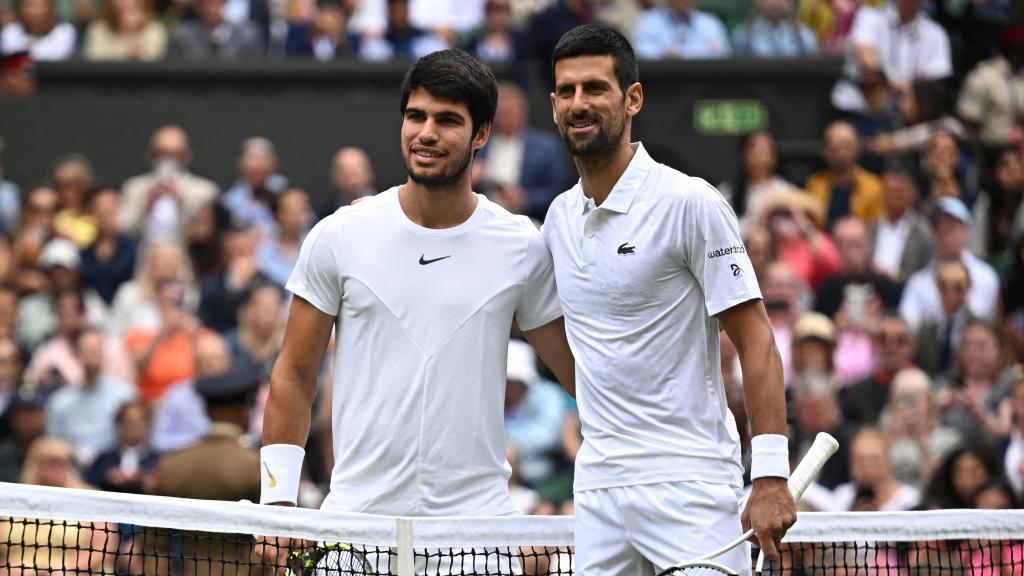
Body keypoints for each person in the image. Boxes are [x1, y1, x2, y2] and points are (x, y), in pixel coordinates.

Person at [260, 47, 573, 535]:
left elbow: (581, 376)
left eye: (448, 120)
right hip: (356, 530)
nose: (426, 133)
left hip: (479, 536)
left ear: (482, 134)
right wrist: (276, 503)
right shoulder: (339, 235)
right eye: (416, 116)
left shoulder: (522, 247)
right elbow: (295, 375)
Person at [542, 25, 793, 575]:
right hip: (599, 485)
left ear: (633, 98)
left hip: (691, 481)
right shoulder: (557, 218)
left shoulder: (690, 203)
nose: (579, 103)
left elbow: (757, 341)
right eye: (566, 91)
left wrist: (771, 472)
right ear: (554, 104)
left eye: (595, 88)